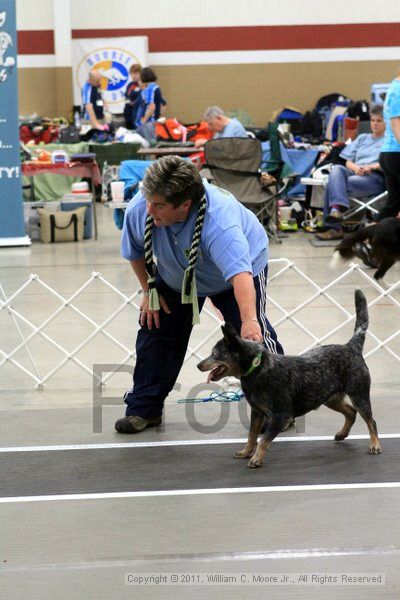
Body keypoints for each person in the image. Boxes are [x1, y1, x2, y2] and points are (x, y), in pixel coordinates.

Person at [115, 155, 283, 434]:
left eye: (158, 206)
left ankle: (279, 408)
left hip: (235, 275)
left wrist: (250, 321)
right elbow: (135, 254)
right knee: (155, 330)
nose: (150, 209)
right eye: (149, 201)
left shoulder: (220, 222)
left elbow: (240, 275)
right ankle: (144, 409)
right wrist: (149, 292)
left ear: (184, 205)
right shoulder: (140, 208)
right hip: (173, 273)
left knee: (252, 339)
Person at [316, 104, 386, 241]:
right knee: (336, 169)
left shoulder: (390, 141)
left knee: (333, 182)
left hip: (374, 178)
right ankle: (336, 211)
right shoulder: (362, 138)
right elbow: (346, 160)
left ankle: (334, 225)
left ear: (386, 122)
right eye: (373, 120)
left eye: (379, 121)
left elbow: (390, 162)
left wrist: (370, 167)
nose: (375, 124)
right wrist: (354, 167)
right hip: (354, 172)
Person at [377, 66, 400, 220]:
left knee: (393, 204)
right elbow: (395, 123)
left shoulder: (393, 88)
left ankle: (369, 237)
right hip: (396, 152)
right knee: (393, 203)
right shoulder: (398, 91)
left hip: (389, 153)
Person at [123, 64, 142, 129]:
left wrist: (135, 102)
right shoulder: (130, 85)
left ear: (140, 73)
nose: (133, 76)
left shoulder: (144, 85)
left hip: (138, 114)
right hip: (128, 113)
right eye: (132, 73)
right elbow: (126, 97)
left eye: (136, 73)